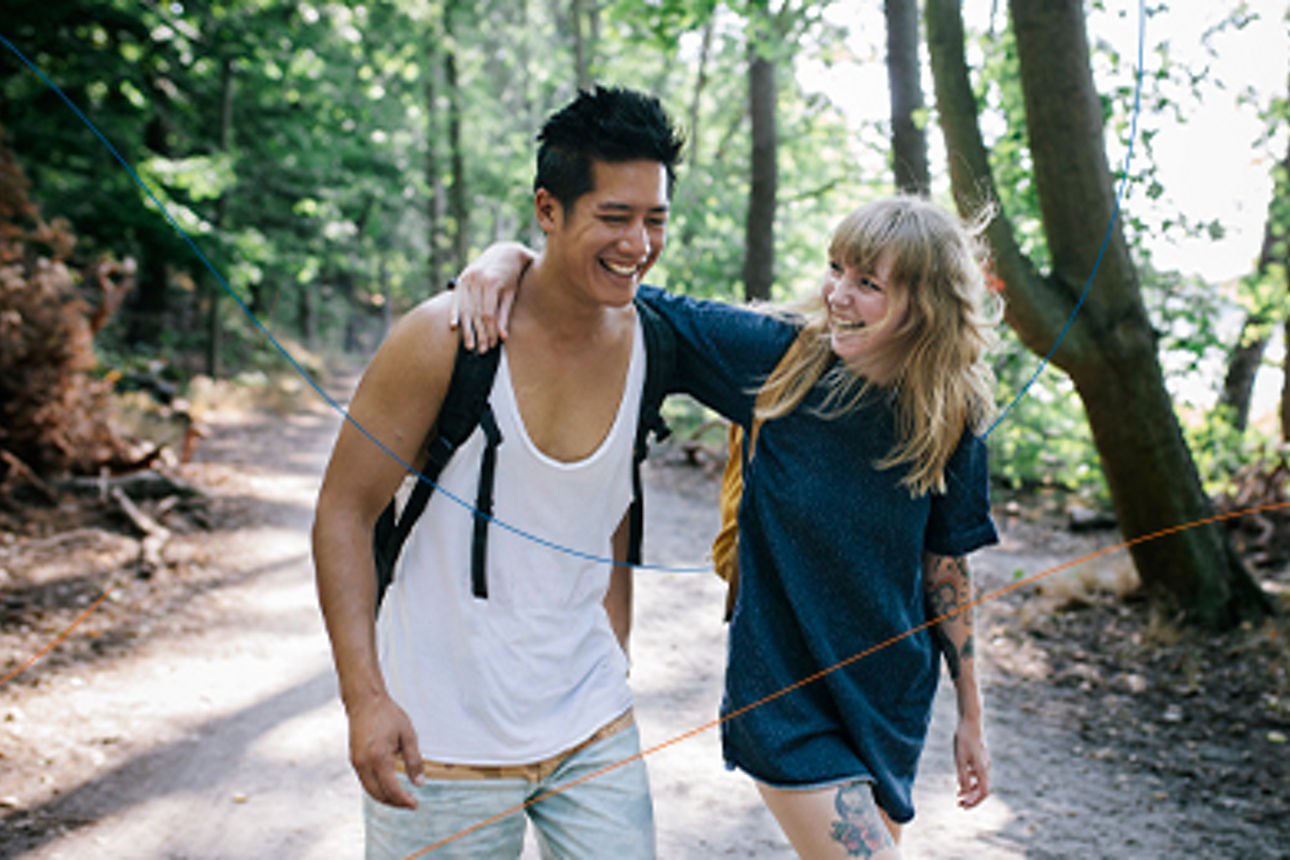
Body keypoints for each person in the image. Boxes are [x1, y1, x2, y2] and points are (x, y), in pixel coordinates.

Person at [456, 195, 999, 858]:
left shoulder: (952, 411)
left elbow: (944, 566)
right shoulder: (779, 359)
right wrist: (514, 260)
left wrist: (971, 715)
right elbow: (637, 304)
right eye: (836, 269)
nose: (837, 295)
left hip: (889, 702)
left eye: (868, 283)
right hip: (786, 703)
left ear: (926, 305)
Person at [311, 85, 683, 859]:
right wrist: (364, 700)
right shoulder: (443, 339)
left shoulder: (656, 342)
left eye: (655, 219)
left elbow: (610, 498)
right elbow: (343, 512)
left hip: (592, 725)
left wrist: (615, 648)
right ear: (548, 210)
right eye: (614, 216)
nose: (638, 243)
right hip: (440, 740)